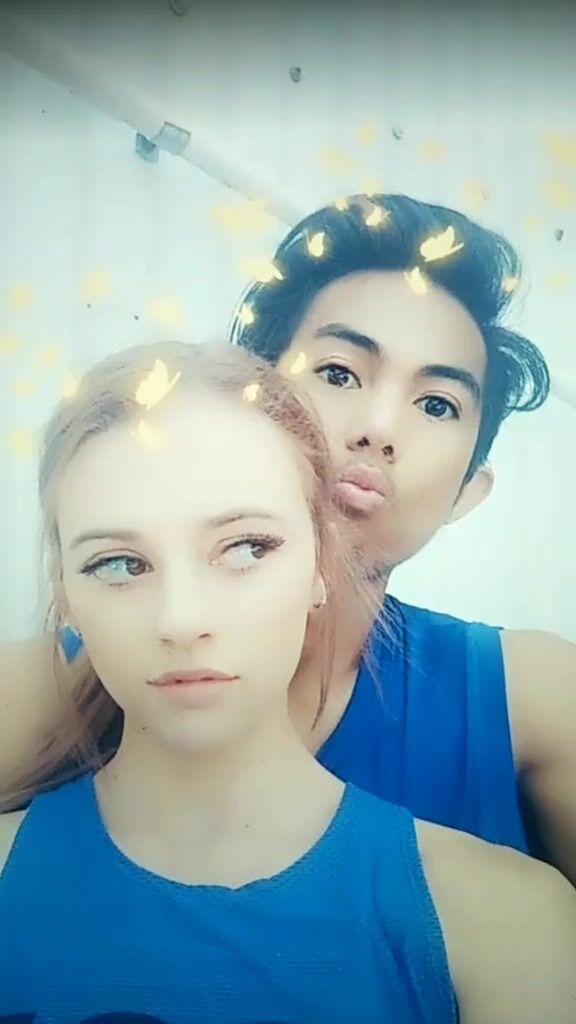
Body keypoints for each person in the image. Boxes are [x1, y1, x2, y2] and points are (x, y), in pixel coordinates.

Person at [1, 194, 575, 882]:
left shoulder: (531, 696)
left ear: (467, 493)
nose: (378, 428)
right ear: (248, 398)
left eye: (437, 404)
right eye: (338, 373)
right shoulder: (37, 692)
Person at [0, 340, 574, 1024]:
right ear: (65, 592)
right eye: (119, 564)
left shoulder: (506, 927)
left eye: (247, 548)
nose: (181, 620)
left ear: (320, 566)